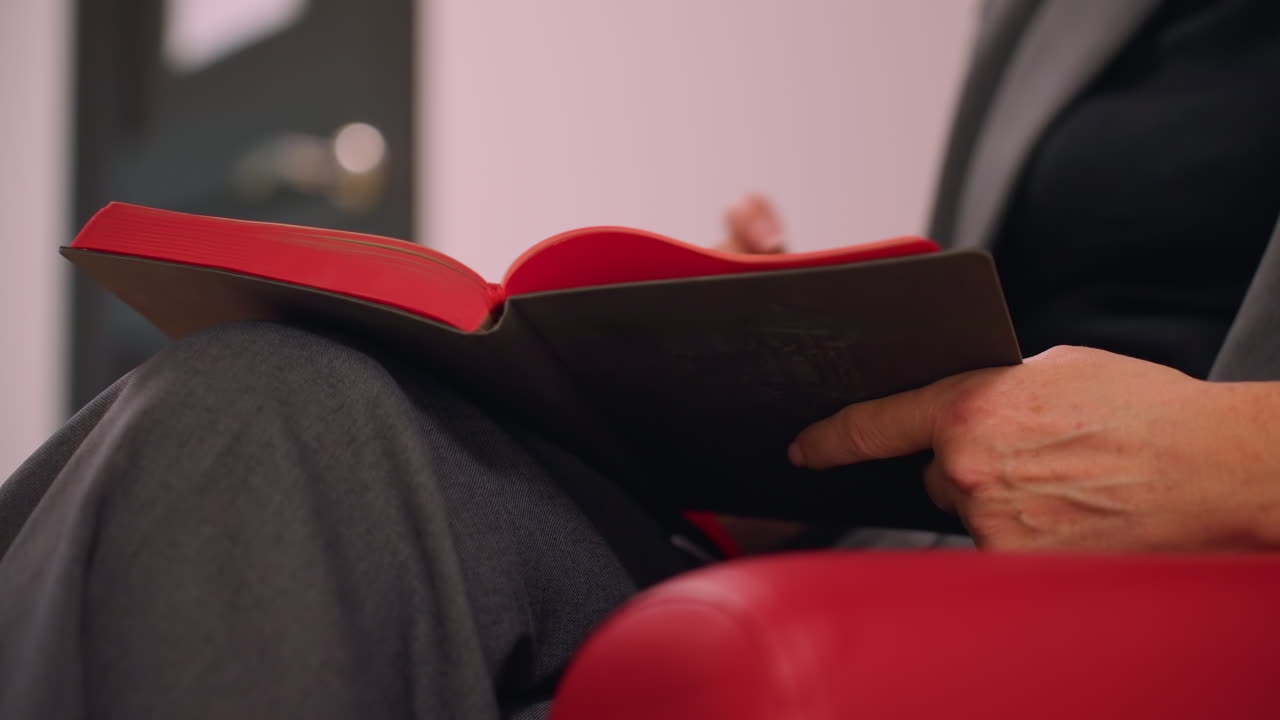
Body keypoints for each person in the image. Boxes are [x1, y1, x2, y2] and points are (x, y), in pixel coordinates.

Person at [1, 0, 1277, 718]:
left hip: (1196, 555)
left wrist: (1227, 464)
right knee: (261, 406)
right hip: (934, 530)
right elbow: (1010, 346)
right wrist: (786, 388)